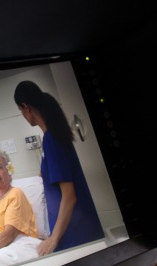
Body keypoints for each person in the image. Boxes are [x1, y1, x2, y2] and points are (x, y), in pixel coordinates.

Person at [14, 80, 104, 255]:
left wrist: (53, 239)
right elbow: (51, 174)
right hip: (77, 229)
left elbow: (69, 196)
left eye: (20, 111)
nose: (23, 116)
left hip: (77, 233)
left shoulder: (51, 140)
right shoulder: (53, 138)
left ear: (26, 107)